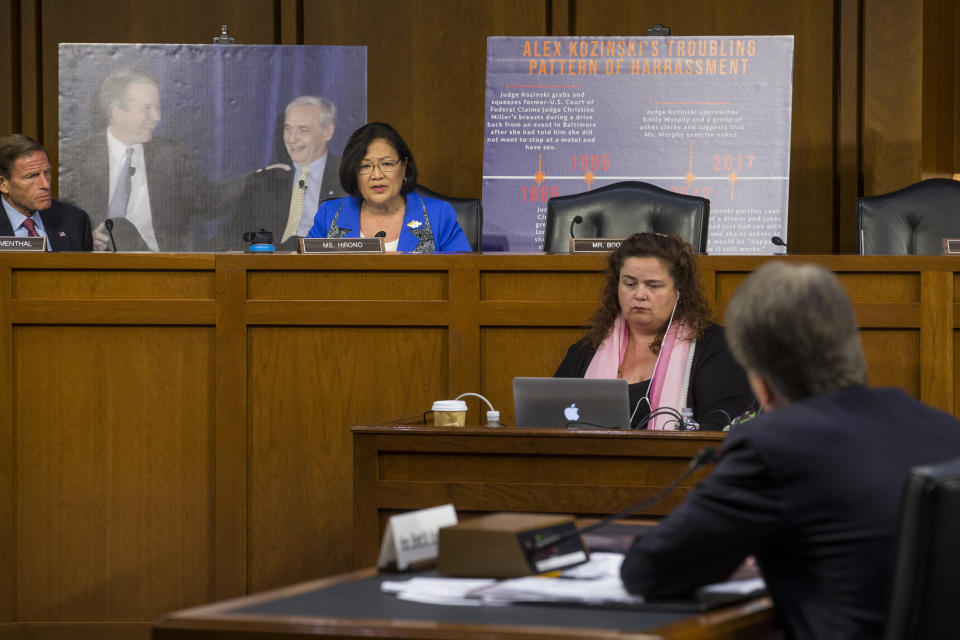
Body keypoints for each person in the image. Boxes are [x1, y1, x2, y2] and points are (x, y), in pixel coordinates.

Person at [620, 262, 960, 640]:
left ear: (760, 380)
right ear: (851, 346)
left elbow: (650, 570)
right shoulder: (943, 428)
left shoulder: (774, 444)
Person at [554, 232, 752, 429]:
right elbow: (551, 417)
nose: (639, 295)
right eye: (629, 284)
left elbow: (723, 427)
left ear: (679, 291)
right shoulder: (587, 351)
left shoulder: (715, 347)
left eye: (654, 285)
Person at [59, 67, 206, 251]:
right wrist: (82, 237)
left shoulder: (171, 156)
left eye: (157, 108)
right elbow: (52, 220)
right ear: (116, 112)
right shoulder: (77, 158)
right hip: (95, 268)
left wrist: (250, 182)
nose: (156, 117)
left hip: (160, 267)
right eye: (147, 108)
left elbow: (208, 202)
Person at [306, 122, 470, 253]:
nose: (377, 175)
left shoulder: (439, 215)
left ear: (404, 166)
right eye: (365, 166)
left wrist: (401, 263)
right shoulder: (330, 215)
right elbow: (306, 272)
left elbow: (462, 271)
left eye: (387, 164)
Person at [237, 96, 346, 251]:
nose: (291, 139)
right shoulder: (265, 180)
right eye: (288, 129)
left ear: (327, 132)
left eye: (303, 130)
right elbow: (234, 237)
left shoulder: (349, 177)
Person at [0, 134, 92, 251]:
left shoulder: (74, 220)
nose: (46, 185)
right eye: (32, 176)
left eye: (47, 172)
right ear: (3, 184)